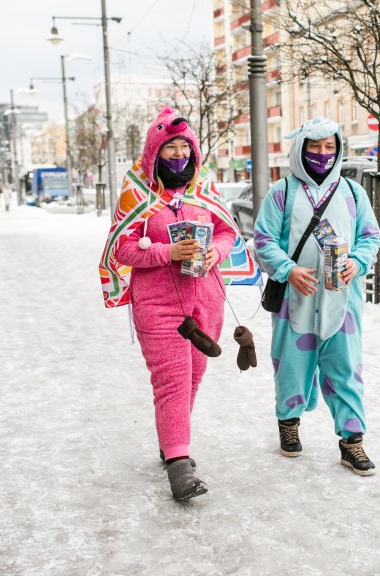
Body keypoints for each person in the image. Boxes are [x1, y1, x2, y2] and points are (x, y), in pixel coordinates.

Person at [98, 106, 237, 501]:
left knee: (194, 377)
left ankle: (171, 439)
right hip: (158, 302)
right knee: (172, 381)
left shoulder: (205, 185)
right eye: (169, 148)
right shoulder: (136, 189)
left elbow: (227, 231)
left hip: (206, 299)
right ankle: (180, 466)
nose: (178, 155)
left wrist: (216, 252)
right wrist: (167, 252)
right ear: (154, 152)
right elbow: (122, 249)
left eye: (184, 147)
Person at [254, 116, 380, 476]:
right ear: (301, 149)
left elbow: (370, 236)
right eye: (315, 146)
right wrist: (288, 270)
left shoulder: (353, 193)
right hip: (296, 298)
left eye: (330, 147)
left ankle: (352, 441)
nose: (322, 154)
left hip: (343, 300)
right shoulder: (283, 192)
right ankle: (288, 420)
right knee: (291, 365)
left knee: (346, 370)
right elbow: (263, 239)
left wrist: (358, 261)